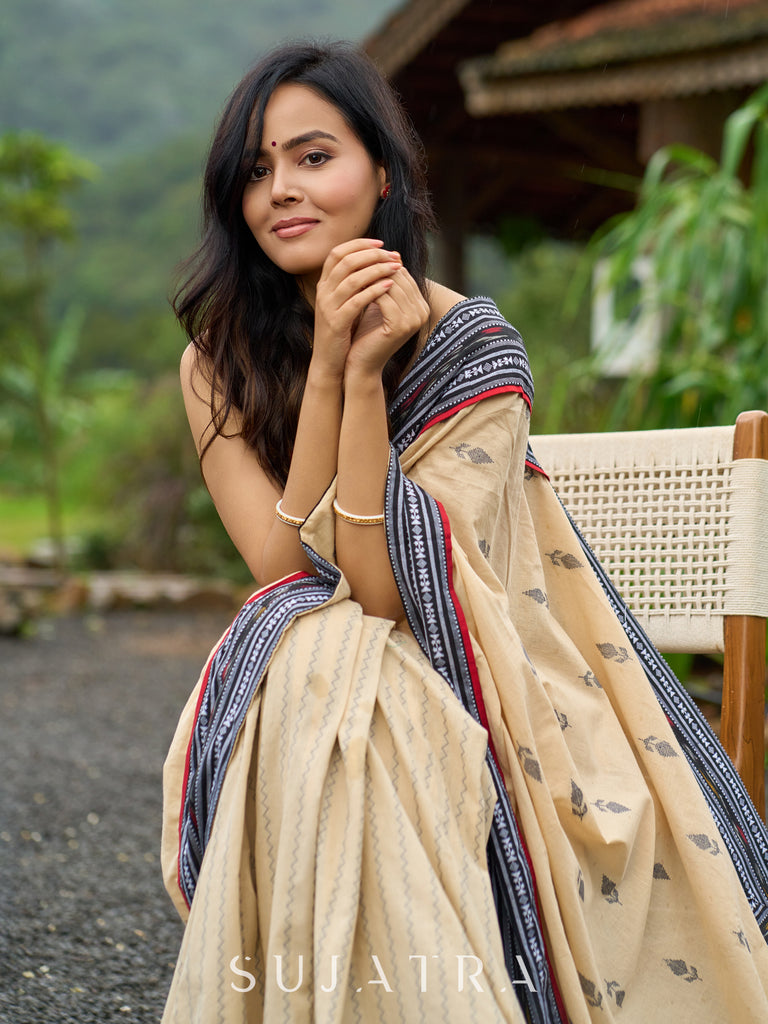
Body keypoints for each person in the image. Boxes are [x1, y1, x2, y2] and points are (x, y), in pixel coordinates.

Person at [160, 39, 768, 1024]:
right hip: (344, 670)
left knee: (341, 665)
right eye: (256, 170)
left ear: (383, 174)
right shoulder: (215, 359)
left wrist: (369, 382)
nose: (282, 188)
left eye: (315, 156)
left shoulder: (474, 345)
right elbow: (287, 569)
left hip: (499, 673)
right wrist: (333, 368)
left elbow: (392, 587)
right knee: (329, 654)